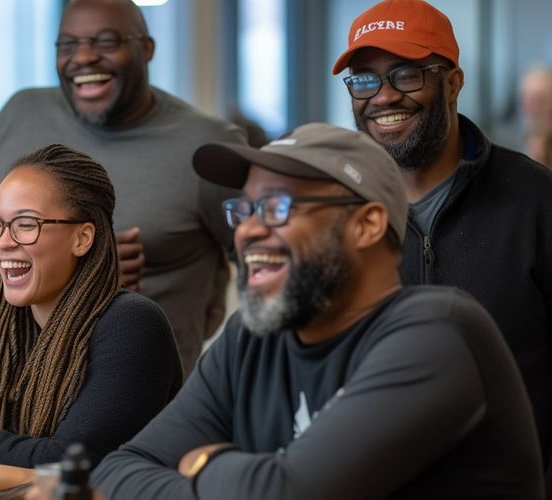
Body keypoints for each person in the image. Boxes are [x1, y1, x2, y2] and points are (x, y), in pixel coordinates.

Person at [91, 123, 544, 499]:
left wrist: (204, 462)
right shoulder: (249, 339)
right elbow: (116, 474)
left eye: (276, 207)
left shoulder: (438, 333)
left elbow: (287, 495)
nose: (247, 230)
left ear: (366, 225)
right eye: (245, 209)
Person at [332, 0, 552, 480]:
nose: (383, 97)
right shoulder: (333, 216)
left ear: (452, 82)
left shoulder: (536, 202)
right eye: (365, 79)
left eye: (406, 75)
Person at [0, 0, 246, 376]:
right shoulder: (20, 114)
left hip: (147, 396)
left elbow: (263, 259)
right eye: (67, 45)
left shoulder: (208, 145)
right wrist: (82, 263)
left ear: (147, 49)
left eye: (105, 42)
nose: (83, 57)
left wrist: (231, 382)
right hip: (16, 383)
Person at [0, 144, 182, 498]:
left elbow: (77, 464)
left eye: (26, 225)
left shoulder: (133, 325)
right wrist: (25, 470)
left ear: (82, 238)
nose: (3, 241)